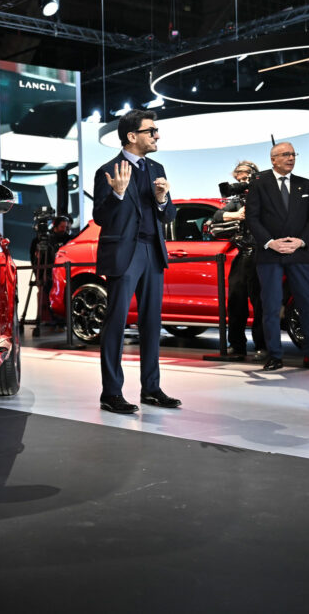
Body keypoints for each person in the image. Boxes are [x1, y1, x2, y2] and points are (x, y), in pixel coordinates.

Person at [93, 109, 180, 413]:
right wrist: (116, 195)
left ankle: (151, 389)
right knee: (116, 322)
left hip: (152, 252)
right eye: (151, 131)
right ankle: (111, 393)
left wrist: (162, 200)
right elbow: (100, 217)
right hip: (124, 255)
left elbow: (168, 216)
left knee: (152, 323)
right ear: (132, 136)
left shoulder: (157, 168)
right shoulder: (108, 170)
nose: (157, 135)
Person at [245, 142, 309, 371]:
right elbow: (252, 218)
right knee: (271, 306)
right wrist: (270, 242)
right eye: (285, 154)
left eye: (293, 154)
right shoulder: (259, 184)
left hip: (298, 253)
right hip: (269, 254)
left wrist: (301, 241)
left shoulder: (307, 184)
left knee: (306, 304)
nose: (291, 158)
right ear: (273, 159)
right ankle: (274, 356)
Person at [211, 160, 266, 359]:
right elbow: (217, 216)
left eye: (246, 179)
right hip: (243, 253)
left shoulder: (266, 195)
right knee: (235, 301)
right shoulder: (238, 200)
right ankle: (237, 346)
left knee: (261, 303)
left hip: (263, 254)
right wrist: (237, 215)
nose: (243, 184)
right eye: (239, 180)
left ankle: (263, 346)